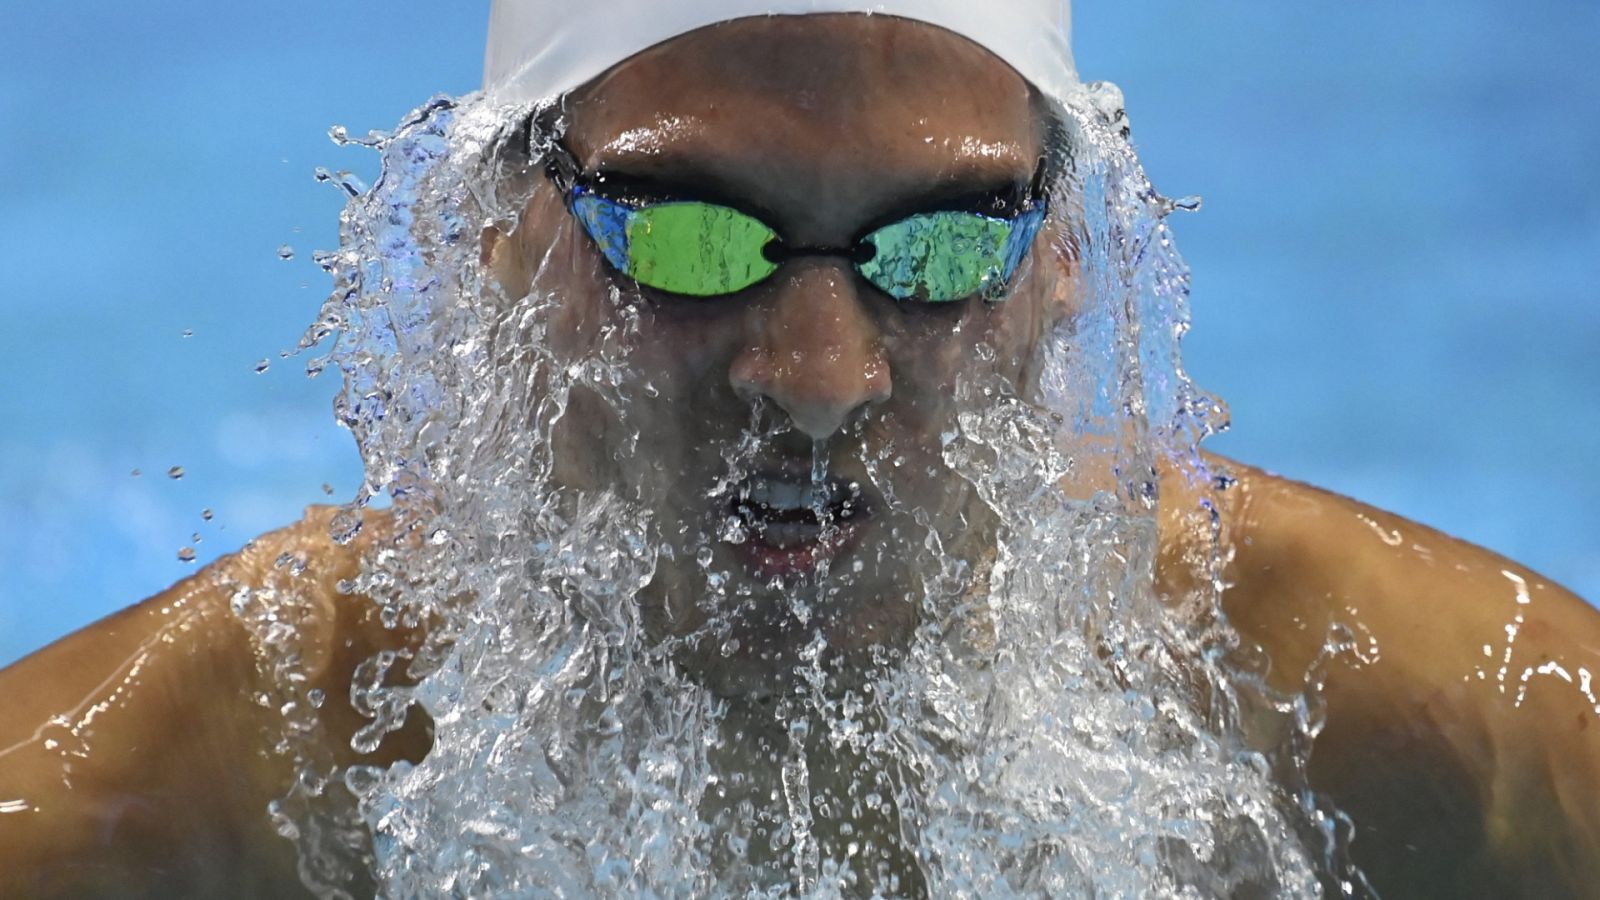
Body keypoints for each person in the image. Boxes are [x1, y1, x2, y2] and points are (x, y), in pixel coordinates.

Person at [3, 2, 1597, 897]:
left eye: (941, 249)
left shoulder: (1417, 727)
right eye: (692, 239)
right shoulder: (156, 807)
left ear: (1063, 261)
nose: (819, 377)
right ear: (497, 233)